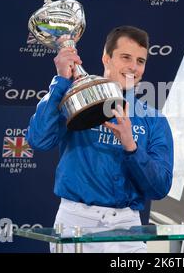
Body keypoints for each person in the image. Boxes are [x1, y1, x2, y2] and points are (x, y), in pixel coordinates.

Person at [26, 26, 174, 253]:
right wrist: (60, 82)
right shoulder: (77, 101)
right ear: (106, 58)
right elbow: (38, 140)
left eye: (140, 61)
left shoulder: (154, 120)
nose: (133, 67)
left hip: (127, 226)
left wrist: (131, 146)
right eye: (126, 57)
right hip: (75, 221)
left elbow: (160, 188)